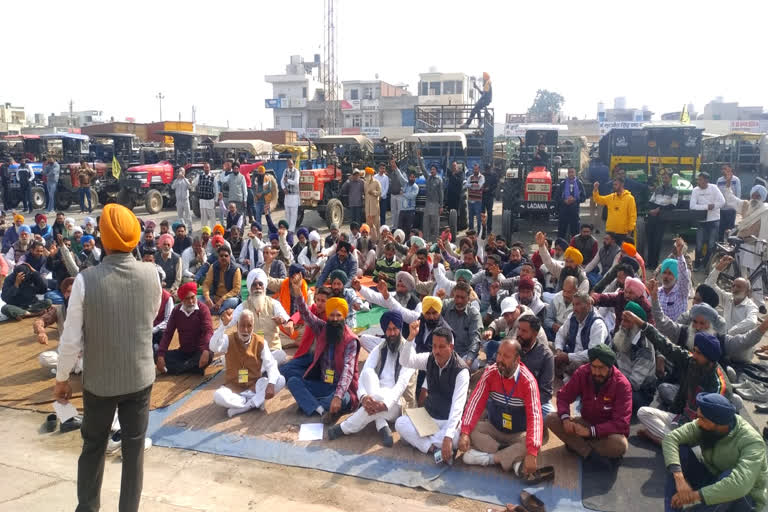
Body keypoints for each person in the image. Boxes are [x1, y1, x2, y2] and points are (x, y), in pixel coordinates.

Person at [54, 203, 160, 512]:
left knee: (94, 447)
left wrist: (62, 379)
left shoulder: (86, 280)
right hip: (140, 378)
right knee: (134, 450)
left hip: (99, 382)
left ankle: (87, 508)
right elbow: (149, 319)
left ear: (102, 238)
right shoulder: (151, 274)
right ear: (135, 238)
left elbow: (71, 337)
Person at [627, 311, 732, 445]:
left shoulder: (719, 385)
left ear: (710, 358)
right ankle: (674, 443)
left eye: (699, 353)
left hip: (700, 428)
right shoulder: (692, 361)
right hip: (682, 418)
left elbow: (713, 424)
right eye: (694, 351)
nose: (694, 355)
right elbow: (666, 346)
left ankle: (669, 442)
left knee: (698, 449)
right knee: (643, 413)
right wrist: (641, 323)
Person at [662, 392, 767, 512]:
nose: (698, 422)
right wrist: (679, 478)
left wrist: (694, 496)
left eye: (702, 419)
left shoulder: (752, 442)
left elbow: (740, 485)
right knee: (681, 452)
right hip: (713, 478)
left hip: (744, 500)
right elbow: (671, 439)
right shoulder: (705, 425)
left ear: (720, 424)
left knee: (729, 478)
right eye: (698, 416)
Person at [327, 311, 416, 446]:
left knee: (378, 399)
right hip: (376, 396)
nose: (391, 333)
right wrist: (363, 397)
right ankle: (381, 424)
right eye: (388, 330)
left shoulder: (409, 351)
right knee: (368, 373)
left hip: (398, 403)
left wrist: (384, 404)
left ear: (400, 329)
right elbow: (364, 374)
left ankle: (344, 428)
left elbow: (401, 385)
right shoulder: (380, 348)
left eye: (394, 329)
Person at [460, 338, 545, 476]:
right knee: (471, 430)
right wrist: (464, 432)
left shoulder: (528, 381)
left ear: (517, 359)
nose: (500, 359)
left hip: (518, 434)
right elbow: (475, 403)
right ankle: (512, 459)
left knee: (533, 445)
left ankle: (489, 459)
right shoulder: (490, 373)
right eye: (499, 354)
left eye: (506, 356)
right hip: (494, 429)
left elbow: (534, 417)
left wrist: (532, 452)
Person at [544, 344, 631, 463]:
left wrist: (591, 432)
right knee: (550, 418)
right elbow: (564, 396)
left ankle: (577, 445)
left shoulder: (622, 385)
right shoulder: (583, 372)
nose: (596, 372)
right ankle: (590, 454)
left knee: (620, 444)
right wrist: (566, 419)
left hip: (606, 432)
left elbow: (621, 423)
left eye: (601, 368)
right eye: (593, 366)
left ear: (610, 366)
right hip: (586, 423)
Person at [396, 326, 469, 462]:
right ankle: (434, 449)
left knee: (454, 440)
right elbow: (404, 361)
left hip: (448, 421)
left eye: (441, 347)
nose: (436, 351)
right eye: (434, 346)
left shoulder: (461, 371)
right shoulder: (429, 359)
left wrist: (447, 436)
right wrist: (411, 338)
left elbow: (457, 407)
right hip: (428, 417)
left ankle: (424, 442)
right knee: (400, 423)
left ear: (451, 347)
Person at [288, 294, 361, 423]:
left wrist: (338, 396)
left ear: (344, 316)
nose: (335, 319)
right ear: (327, 316)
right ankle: (322, 410)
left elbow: (347, 371)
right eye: (332, 315)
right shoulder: (322, 328)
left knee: (344, 399)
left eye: (338, 316)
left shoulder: (351, 340)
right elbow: (306, 315)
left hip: (342, 388)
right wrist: (298, 292)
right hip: (323, 384)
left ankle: (310, 404)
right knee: (293, 381)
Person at [210, 309, 286, 417]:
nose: (245, 330)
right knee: (218, 396)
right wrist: (223, 326)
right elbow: (213, 346)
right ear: (237, 325)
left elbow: (271, 365)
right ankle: (255, 402)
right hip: (234, 389)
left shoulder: (260, 342)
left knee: (280, 380)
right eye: (242, 326)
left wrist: (271, 384)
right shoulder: (228, 340)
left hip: (254, 387)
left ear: (253, 327)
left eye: (249, 326)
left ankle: (243, 407)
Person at [213, 269, 291, 364]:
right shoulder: (243, 306)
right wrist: (224, 322)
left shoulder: (274, 304)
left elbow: (286, 319)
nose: (257, 287)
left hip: (271, 350)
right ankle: (258, 369)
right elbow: (229, 322)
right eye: (254, 285)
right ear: (250, 288)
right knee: (227, 359)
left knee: (281, 355)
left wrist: (283, 321)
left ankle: (255, 369)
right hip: (250, 351)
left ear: (264, 287)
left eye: (260, 284)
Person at [612, 303, 657, 414]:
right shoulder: (621, 336)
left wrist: (609, 386)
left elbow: (634, 384)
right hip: (620, 380)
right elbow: (608, 357)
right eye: (622, 320)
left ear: (637, 324)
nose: (622, 324)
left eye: (627, 321)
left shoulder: (644, 347)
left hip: (640, 393)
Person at [554, 291, 610, 377]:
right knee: (547, 349)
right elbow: (561, 334)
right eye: (573, 305)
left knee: (579, 367)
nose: (574, 308)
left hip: (589, 363)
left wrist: (568, 357)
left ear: (588, 304)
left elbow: (593, 353)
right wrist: (559, 350)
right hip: (570, 355)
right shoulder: (572, 316)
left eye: (578, 304)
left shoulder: (597, 324)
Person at [732, 184, 768, 311]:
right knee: (740, 272)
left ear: (762, 198)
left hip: (755, 245)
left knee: (755, 274)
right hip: (740, 242)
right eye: (754, 195)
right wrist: (727, 186)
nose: (755, 198)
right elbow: (731, 199)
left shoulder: (765, 210)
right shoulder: (745, 205)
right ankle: (738, 297)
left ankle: (760, 304)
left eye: (758, 196)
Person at [706, 256, 759, 335]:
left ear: (748, 292)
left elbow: (752, 322)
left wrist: (730, 332)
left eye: (739, 287)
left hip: (738, 343)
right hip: (724, 337)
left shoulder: (751, 306)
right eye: (733, 286)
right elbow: (709, 286)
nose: (735, 288)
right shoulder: (729, 297)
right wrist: (718, 268)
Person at [36, 278, 76, 372]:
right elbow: (40, 321)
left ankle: (71, 367)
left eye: (74, 291)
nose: (71, 295)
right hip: (66, 353)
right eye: (68, 291)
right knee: (44, 358)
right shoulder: (58, 310)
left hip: (87, 354)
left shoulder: (90, 308)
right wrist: (41, 332)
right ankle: (73, 367)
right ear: (63, 293)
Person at [689, 172, 725, 271]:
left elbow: (722, 202)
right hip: (701, 221)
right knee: (699, 244)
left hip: (714, 220)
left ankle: (706, 264)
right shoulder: (695, 190)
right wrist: (707, 207)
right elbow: (692, 206)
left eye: (700, 180)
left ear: (706, 181)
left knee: (711, 245)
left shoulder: (714, 188)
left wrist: (713, 206)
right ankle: (697, 264)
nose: (698, 182)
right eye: (698, 179)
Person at [645, 170, 679, 269]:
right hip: (653, 217)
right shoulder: (658, 189)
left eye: (666, 178)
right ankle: (649, 263)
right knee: (650, 241)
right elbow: (651, 201)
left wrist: (658, 209)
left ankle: (654, 264)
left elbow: (673, 204)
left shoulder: (674, 191)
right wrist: (652, 210)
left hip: (662, 218)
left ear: (670, 179)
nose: (664, 180)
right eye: (663, 178)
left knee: (657, 241)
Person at [592, 176, 637, 244]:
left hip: (623, 233)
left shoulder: (630, 198)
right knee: (609, 252)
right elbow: (598, 199)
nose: (614, 186)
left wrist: (630, 231)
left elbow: (632, 215)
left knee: (621, 253)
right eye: (613, 184)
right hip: (610, 231)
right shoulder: (611, 197)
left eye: (616, 184)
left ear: (621, 185)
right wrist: (595, 190)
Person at [201, 245, 242, 315]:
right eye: (221, 256)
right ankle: (219, 311)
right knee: (199, 300)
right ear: (218, 257)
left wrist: (222, 299)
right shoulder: (213, 267)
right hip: (215, 297)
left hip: (228, 299)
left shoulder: (236, 269)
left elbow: (236, 289)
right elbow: (206, 284)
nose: (223, 258)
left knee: (232, 302)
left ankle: (213, 310)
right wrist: (207, 298)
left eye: (226, 256)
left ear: (229, 257)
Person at [417, 153, 444, 242]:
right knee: (426, 223)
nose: (432, 171)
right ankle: (426, 240)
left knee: (435, 224)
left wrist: (441, 206)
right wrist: (420, 158)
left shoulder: (439, 180)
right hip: (428, 204)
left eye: (433, 169)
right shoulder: (428, 177)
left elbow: (441, 193)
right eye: (431, 169)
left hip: (436, 204)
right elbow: (423, 168)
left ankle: (435, 241)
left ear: (436, 171)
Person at [543, 276, 577, 341]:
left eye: (569, 292)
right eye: (564, 291)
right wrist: (553, 325)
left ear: (575, 291)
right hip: (554, 332)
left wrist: (563, 330)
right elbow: (547, 319)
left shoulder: (579, 304)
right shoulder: (556, 298)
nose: (565, 294)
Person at [558, 167, 586, 239]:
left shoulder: (579, 184)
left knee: (575, 233)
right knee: (561, 232)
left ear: (575, 173)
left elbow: (583, 198)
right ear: (567, 173)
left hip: (574, 212)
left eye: (572, 172)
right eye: (569, 172)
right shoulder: (562, 184)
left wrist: (575, 200)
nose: (571, 174)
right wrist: (564, 201)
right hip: (564, 212)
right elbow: (556, 198)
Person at [716, 164, 741, 242]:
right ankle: (720, 246)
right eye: (722, 169)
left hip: (731, 209)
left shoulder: (736, 180)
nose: (723, 170)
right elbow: (717, 194)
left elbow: (738, 194)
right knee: (721, 229)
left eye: (725, 168)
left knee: (730, 230)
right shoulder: (719, 180)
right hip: (721, 210)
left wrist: (736, 207)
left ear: (730, 169)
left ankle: (730, 246)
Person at [192, 162, 217, 230]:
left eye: (208, 168)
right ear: (204, 168)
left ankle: (213, 230)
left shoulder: (213, 178)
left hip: (210, 200)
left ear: (210, 168)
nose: (206, 169)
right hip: (202, 200)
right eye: (205, 168)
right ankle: (205, 230)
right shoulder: (200, 176)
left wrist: (216, 200)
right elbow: (193, 184)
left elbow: (216, 189)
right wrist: (191, 180)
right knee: (203, 217)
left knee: (212, 217)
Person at [250, 165, 272, 230]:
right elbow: (253, 187)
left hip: (266, 201)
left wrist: (261, 194)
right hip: (258, 201)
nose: (260, 173)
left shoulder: (268, 178)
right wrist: (256, 194)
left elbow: (269, 189)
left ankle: (270, 232)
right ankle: (259, 232)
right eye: (259, 172)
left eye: (261, 172)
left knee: (268, 217)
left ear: (264, 172)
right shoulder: (256, 179)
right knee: (258, 217)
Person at [281, 159, 300, 232]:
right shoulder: (285, 171)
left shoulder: (296, 172)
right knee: (287, 212)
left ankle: (291, 229)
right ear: (287, 164)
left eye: (291, 164)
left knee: (293, 213)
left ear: (293, 164)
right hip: (287, 195)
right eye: (289, 164)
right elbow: (282, 181)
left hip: (294, 195)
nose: (290, 166)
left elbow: (296, 182)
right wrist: (283, 188)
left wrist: (288, 180)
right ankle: (287, 227)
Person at [466, 163, 485, 234]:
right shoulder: (470, 177)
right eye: (474, 169)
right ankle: (471, 233)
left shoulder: (482, 177)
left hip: (478, 201)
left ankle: (479, 232)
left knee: (478, 218)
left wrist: (471, 186)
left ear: (479, 169)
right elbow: (466, 185)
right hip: (470, 200)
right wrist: (473, 185)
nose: (475, 170)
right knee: (470, 218)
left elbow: (479, 186)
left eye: (476, 169)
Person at [374, 163, 389, 227]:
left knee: (382, 214)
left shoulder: (386, 178)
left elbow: (386, 188)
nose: (382, 170)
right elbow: (373, 187)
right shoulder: (375, 177)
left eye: (384, 168)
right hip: (376, 198)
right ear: (379, 169)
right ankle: (376, 228)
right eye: (381, 168)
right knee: (376, 214)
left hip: (383, 199)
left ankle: (383, 228)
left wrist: (381, 196)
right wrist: (377, 196)